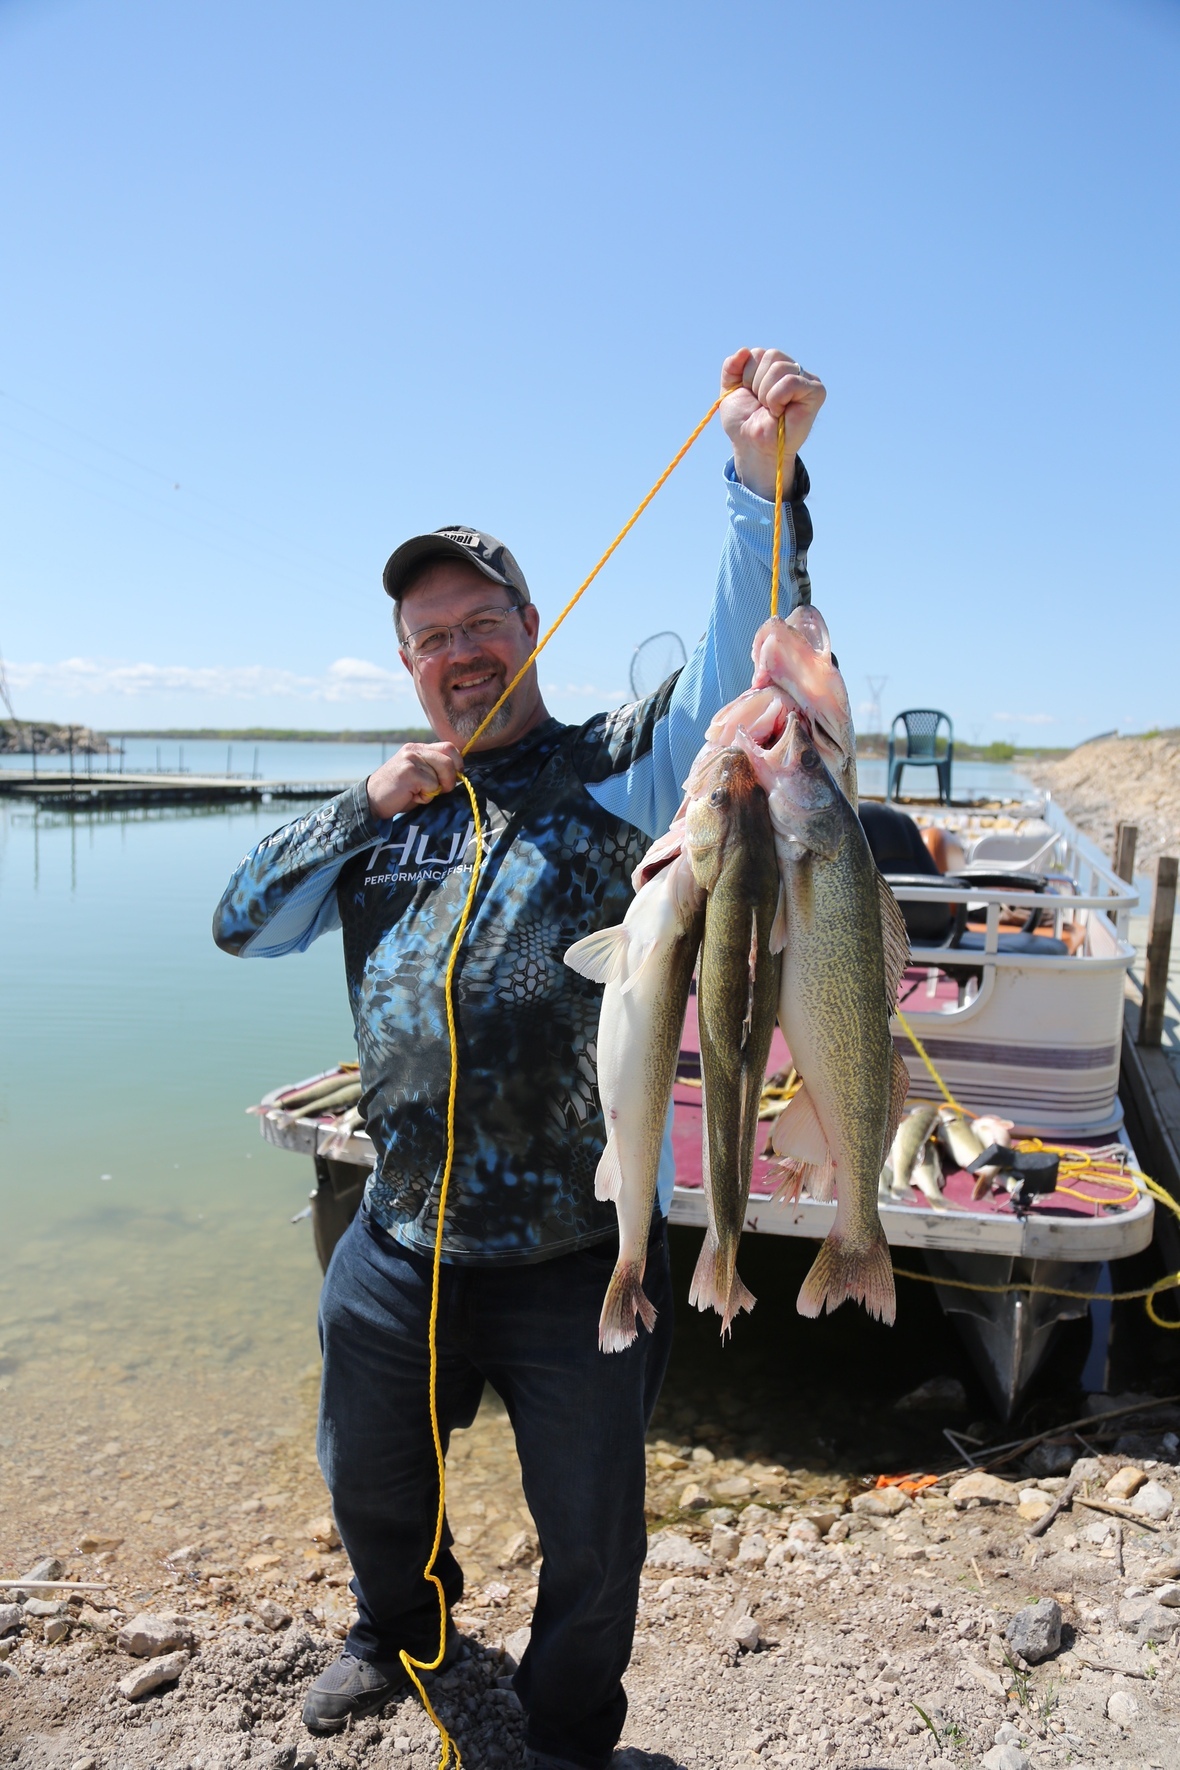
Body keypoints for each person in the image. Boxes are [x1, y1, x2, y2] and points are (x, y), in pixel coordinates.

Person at [212, 346, 826, 1767]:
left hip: (577, 1250)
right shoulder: (388, 814)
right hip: (398, 1237)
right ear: (408, 664)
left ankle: (563, 1737)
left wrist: (757, 476)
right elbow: (245, 922)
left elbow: (752, 648)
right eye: (433, 634)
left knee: (595, 1528)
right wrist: (364, 797)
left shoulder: (623, 764)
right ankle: (395, 1623)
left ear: (535, 626)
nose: (463, 648)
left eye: (484, 618)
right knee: (369, 1477)